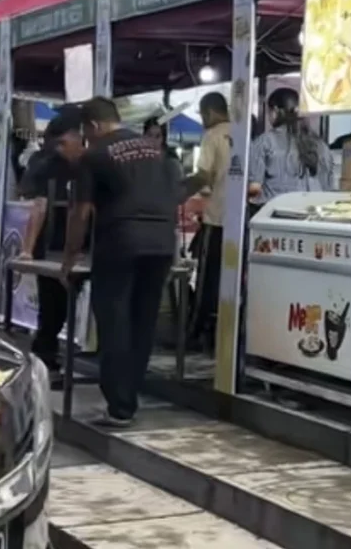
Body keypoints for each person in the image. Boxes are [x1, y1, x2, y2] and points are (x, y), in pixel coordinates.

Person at [58, 97, 180, 427]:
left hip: (122, 241)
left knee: (114, 320)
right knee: (143, 322)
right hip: (162, 242)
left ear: (94, 126)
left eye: (86, 130)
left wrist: (70, 257)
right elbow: (175, 194)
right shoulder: (158, 150)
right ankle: (129, 399)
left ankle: (119, 406)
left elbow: (81, 212)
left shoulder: (94, 155)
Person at [17, 109, 84, 385]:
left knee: (57, 304)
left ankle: (46, 358)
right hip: (54, 245)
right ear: (63, 139)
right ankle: (45, 360)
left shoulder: (76, 163)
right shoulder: (46, 164)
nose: (81, 141)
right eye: (77, 137)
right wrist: (28, 249)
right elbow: (39, 207)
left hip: (70, 246)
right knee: (54, 304)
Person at [180, 92, 231, 349]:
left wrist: (178, 194)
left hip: (218, 218)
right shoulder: (244, 133)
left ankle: (193, 332)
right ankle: (221, 332)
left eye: (202, 115)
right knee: (232, 281)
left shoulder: (212, 136)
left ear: (209, 112)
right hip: (241, 220)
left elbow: (203, 175)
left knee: (206, 281)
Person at [249, 87, 335, 205]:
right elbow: (328, 187)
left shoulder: (265, 142)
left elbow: (254, 189)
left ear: (274, 111)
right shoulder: (321, 145)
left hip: (274, 216)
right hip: (314, 215)